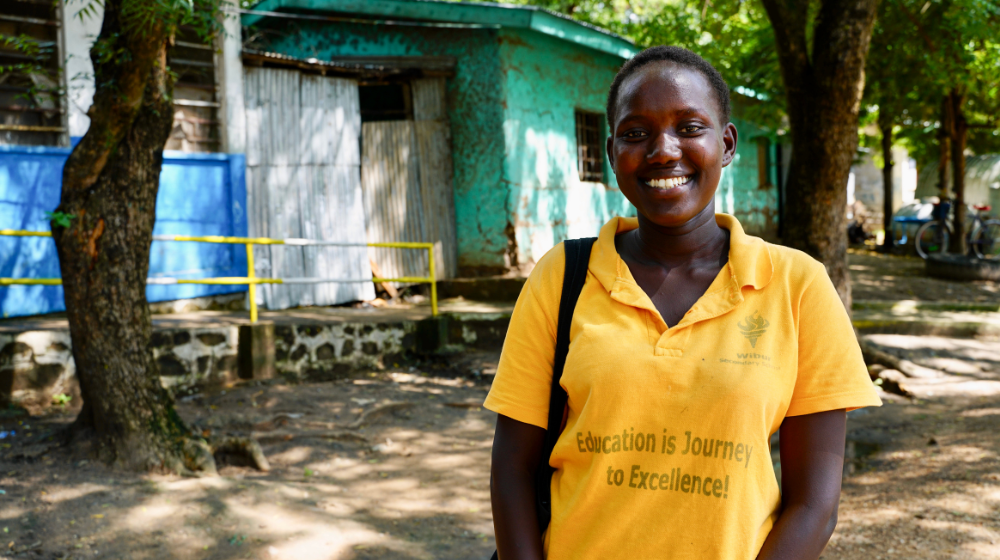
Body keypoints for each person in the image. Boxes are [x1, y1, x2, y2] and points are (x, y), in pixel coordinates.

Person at [485, 45, 881, 560]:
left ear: (728, 143)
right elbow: (511, 473)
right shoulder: (562, 277)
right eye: (636, 133)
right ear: (611, 153)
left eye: (690, 127)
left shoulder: (797, 284)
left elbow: (814, 505)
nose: (663, 150)